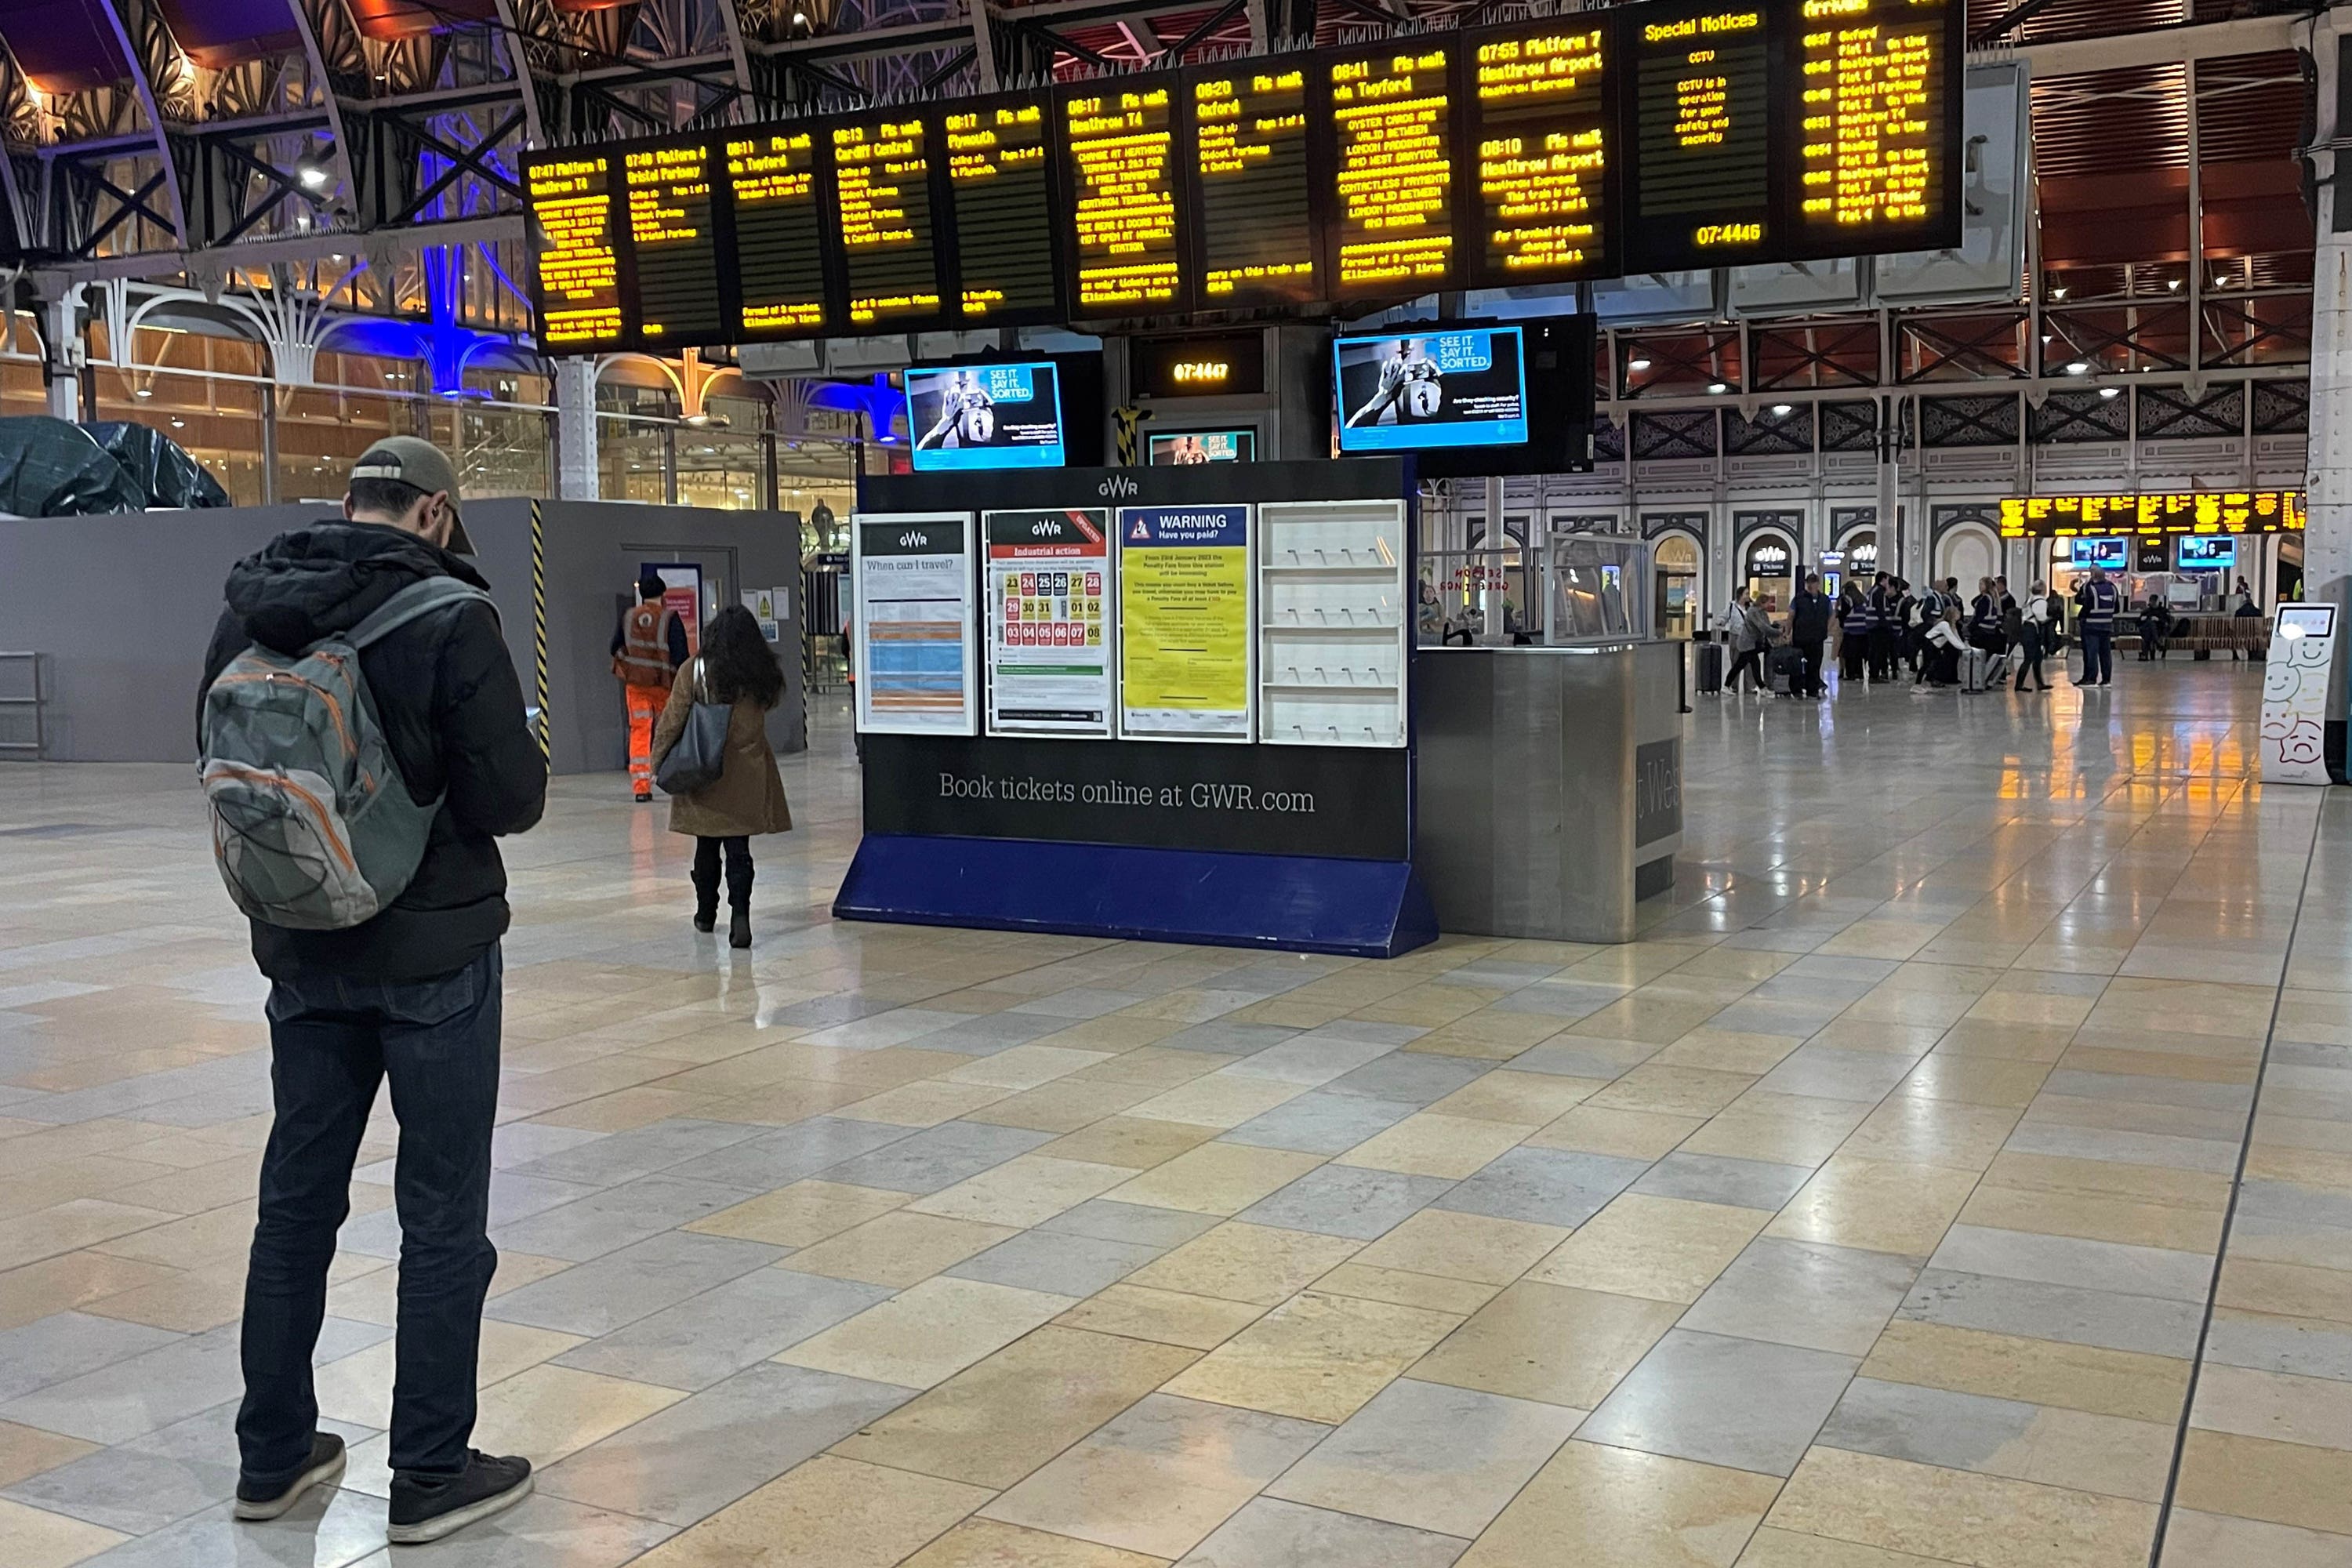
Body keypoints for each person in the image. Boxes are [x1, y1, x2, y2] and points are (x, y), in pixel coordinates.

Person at [198, 437, 545, 1544]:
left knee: (296, 1205)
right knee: (442, 1219)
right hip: (434, 956)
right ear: (437, 516)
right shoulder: (451, 616)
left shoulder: (252, 607)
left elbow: (213, 761)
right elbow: (508, 800)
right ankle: (431, 1474)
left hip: (300, 950)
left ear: (350, 503)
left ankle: (272, 1454)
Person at [652, 604, 793, 949]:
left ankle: (705, 914)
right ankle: (741, 917)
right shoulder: (762, 674)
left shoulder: (696, 670)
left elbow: (673, 719)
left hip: (705, 767)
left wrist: (658, 760)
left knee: (706, 845)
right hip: (747, 769)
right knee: (739, 849)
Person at [612, 575, 688, 802]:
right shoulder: (669, 618)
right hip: (664, 685)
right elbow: (681, 655)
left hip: (636, 685)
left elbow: (614, 647)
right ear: (662, 594)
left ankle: (641, 788)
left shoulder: (628, 617)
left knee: (639, 731)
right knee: (670, 731)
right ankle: (675, 781)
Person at [2074, 564, 2122, 685]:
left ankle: (2090, 679)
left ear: (2093, 575)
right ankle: (2106, 680)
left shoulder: (2090, 588)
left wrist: (2083, 617)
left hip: (2091, 625)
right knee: (2105, 653)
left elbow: (2081, 602)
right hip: (2107, 625)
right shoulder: (2112, 587)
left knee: (2091, 653)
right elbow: (2117, 608)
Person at [1790, 572, 1833, 697]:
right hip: (1800, 638)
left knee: (1815, 665)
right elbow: (1791, 616)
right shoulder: (1799, 598)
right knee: (1797, 664)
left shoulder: (1824, 600)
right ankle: (1796, 689)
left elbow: (1831, 616)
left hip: (1817, 638)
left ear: (1818, 584)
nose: (1811, 586)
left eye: (1813, 583)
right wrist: (1788, 633)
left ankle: (1812, 690)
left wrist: (1826, 630)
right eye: (1809, 583)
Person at [2013, 579, 2056, 692]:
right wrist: (2051, 618)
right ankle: (2019, 684)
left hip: (2026, 629)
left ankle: (2039, 683)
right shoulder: (2041, 601)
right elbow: (2041, 618)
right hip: (2032, 631)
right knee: (2030, 658)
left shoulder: (2030, 600)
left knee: (2037, 657)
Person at [1723, 587, 1767, 693]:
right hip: (1736, 636)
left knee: (1749, 663)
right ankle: (1733, 686)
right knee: (1737, 662)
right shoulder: (1731, 606)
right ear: (1740, 595)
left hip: (1748, 638)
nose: (1748, 596)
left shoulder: (1751, 608)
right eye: (1746, 594)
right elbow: (1724, 617)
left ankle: (1751, 687)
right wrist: (1721, 621)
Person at [1920, 604, 1969, 690]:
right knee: (1932, 662)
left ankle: (1932, 679)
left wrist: (1965, 647)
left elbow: (1957, 637)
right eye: (1957, 612)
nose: (1960, 614)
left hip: (1936, 645)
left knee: (1937, 661)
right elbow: (1953, 640)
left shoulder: (1952, 625)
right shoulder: (1945, 625)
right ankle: (1925, 681)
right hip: (1929, 643)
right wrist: (1965, 648)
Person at [1837, 581, 1871, 682]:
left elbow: (1844, 613)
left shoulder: (1846, 598)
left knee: (1849, 653)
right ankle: (1859, 674)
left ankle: (1850, 674)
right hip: (1863, 630)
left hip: (1851, 629)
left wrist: (1841, 623)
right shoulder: (1863, 599)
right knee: (1859, 654)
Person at [2232, 575, 2260, 660]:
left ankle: (2235, 655)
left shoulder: (2239, 612)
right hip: (2253, 633)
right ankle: (2252, 654)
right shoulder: (2257, 612)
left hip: (2240, 634)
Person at [2137, 591, 2171, 661]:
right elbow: (2138, 623)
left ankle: (2145, 654)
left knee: (2150, 627)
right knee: (2150, 624)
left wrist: (2158, 620)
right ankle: (2158, 643)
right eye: (2152, 602)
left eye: (2155, 602)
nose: (2153, 604)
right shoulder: (2146, 611)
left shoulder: (2163, 611)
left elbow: (2168, 622)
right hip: (2146, 630)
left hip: (2159, 630)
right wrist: (2141, 619)